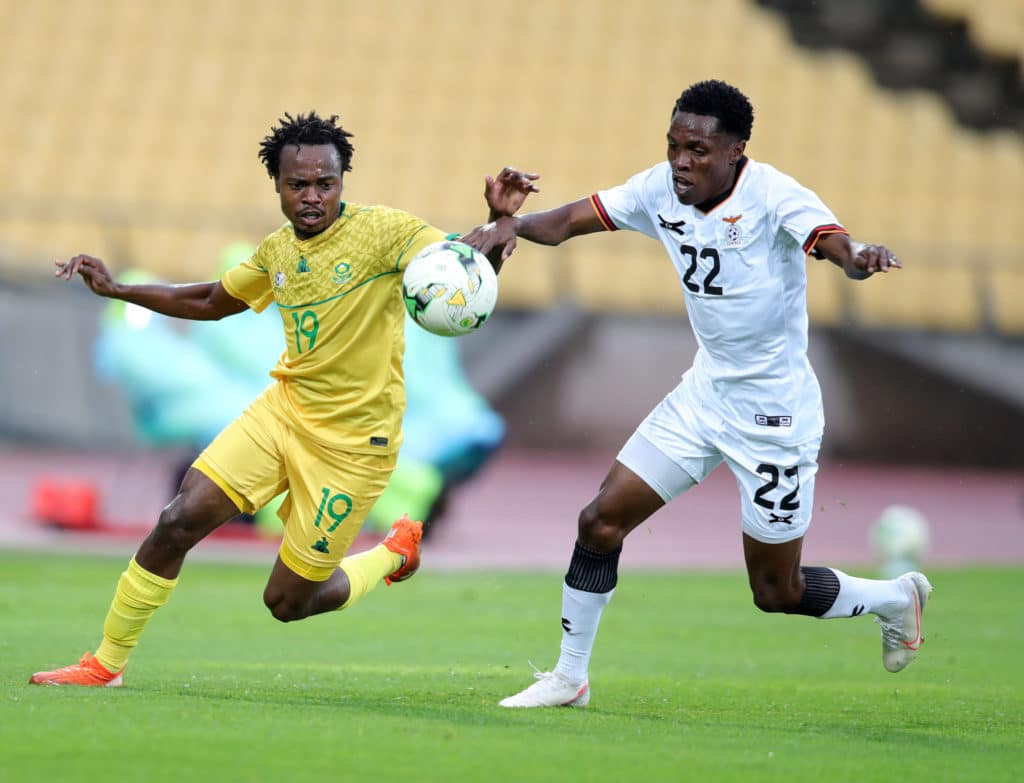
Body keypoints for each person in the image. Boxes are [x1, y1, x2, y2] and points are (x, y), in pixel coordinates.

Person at [462, 79, 932, 708]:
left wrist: (859, 257)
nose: (682, 161)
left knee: (776, 592)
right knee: (600, 522)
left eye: (698, 151)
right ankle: (569, 677)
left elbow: (831, 244)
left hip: (774, 417)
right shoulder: (660, 188)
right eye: (674, 146)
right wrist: (508, 221)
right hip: (704, 394)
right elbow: (571, 220)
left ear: (737, 150)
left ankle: (896, 598)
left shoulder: (775, 196)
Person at [29, 111, 515, 687]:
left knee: (287, 601)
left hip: (355, 447)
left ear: (342, 182)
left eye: (325, 184)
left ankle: (393, 553)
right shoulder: (277, 252)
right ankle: (104, 663)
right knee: (178, 520)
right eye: (298, 184)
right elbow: (212, 300)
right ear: (278, 186)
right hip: (282, 414)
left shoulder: (388, 233)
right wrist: (118, 290)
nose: (312, 197)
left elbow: (459, 269)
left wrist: (498, 221)